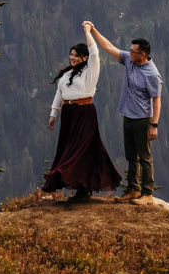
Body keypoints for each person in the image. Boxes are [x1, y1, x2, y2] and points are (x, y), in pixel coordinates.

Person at [40, 20, 121, 201]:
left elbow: (95, 53)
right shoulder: (67, 74)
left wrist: (88, 32)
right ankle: (80, 188)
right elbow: (60, 93)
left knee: (79, 149)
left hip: (84, 112)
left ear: (84, 57)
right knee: (70, 147)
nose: (73, 58)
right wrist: (54, 114)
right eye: (71, 55)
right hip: (69, 114)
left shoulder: (90, 71)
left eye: (76, 55)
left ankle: (77, 183)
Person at [88, 24, 162, 200]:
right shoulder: (129, 60)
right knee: (131, 156)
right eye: (129, 50)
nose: (129, 52)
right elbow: (108, 47)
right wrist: (93, 30)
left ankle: (147, 193)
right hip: (128, 116)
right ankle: (133, 190)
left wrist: (154, 125)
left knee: (144, 157)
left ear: (142, 55)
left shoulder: (152, 74)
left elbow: (157, 100)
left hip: (143, 119)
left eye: (133, 51)